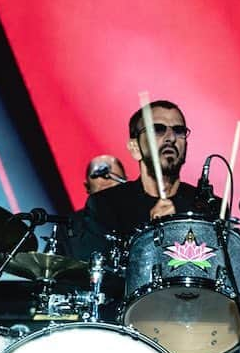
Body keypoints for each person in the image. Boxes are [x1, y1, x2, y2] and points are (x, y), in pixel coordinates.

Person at [77, 100, 212, 245]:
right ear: (135, 148)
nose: (171, 138)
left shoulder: (208, 206)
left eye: (179, 131)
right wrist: (150, 235)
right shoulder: (105, 205)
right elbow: (98, 265)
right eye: (158, 129)